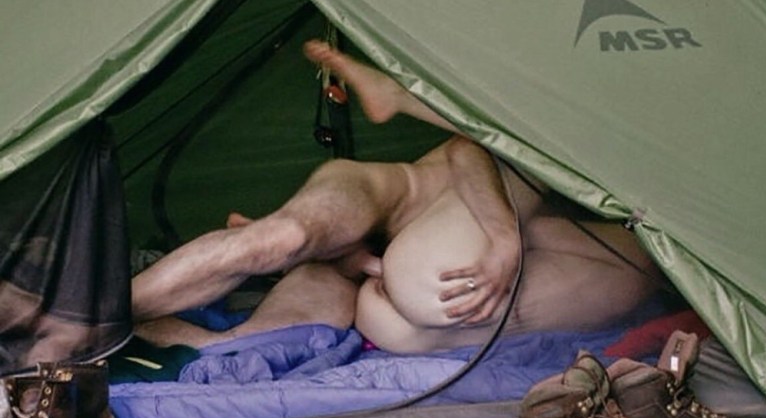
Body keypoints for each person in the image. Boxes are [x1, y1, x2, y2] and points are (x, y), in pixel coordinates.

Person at [131, 40, 663, 353]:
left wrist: (366, 262)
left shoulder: (602, 204)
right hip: (385, 197)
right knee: (284, 237)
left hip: (382, 276)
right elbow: (466, 150)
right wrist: (505, 238)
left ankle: (204, 328)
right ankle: (96, 308)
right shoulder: (534, 152)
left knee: (274, 325)